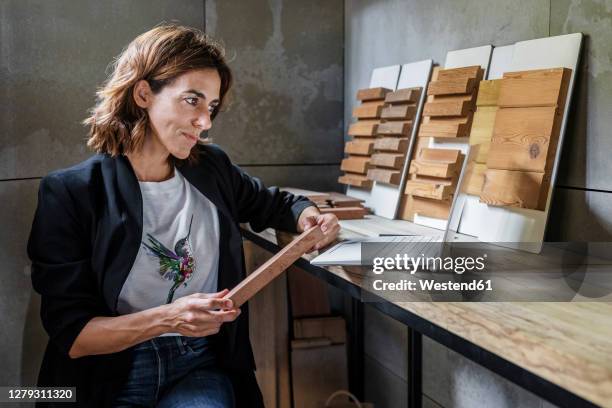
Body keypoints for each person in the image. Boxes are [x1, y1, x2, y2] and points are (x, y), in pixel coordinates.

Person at [27, 24, 339, 408]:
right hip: (111, 373)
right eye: (192, 100)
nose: (205, 122)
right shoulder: (71, 193)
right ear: (143, 93)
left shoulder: (212, 168)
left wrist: (309, 214)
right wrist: (170, 318)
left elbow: (274, 203)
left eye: (211, 107)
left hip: (201, 363)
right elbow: (72, 336)